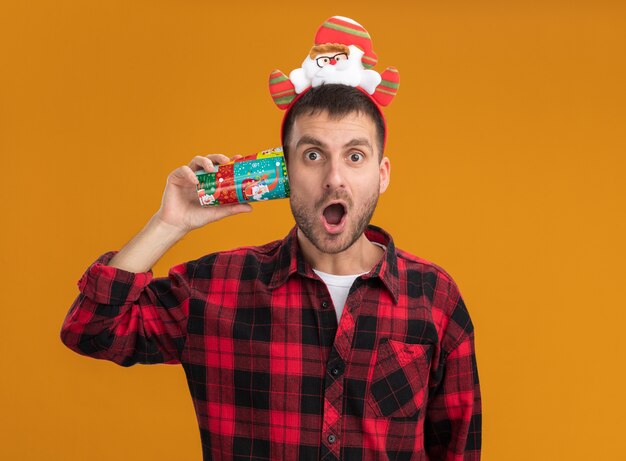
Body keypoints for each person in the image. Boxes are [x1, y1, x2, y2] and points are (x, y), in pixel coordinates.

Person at [61, 17, 481, 461]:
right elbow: (90, 330)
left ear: (381, 175)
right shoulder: (213, 289)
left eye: (354, 156)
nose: (333, 179)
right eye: (313, 155)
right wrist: (169, 224)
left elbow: (457, 449)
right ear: (284, 171)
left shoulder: (434, 298)